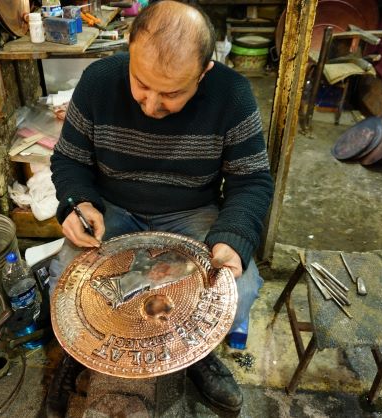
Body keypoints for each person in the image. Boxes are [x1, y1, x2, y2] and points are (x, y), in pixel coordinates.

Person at [45, 1, 274, 415]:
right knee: (64, 278)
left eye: (172, 93)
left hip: (191, 213)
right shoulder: (98, 81)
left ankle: (198, 357)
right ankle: (78, 356)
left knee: (239, 288)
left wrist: (235, 237)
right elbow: (69, 159)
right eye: (141, 84)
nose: (151, 106)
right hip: (113, 209)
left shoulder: (234, 95)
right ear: (130, 51)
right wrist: (76, 202)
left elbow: (251, 181)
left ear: (204, 72)